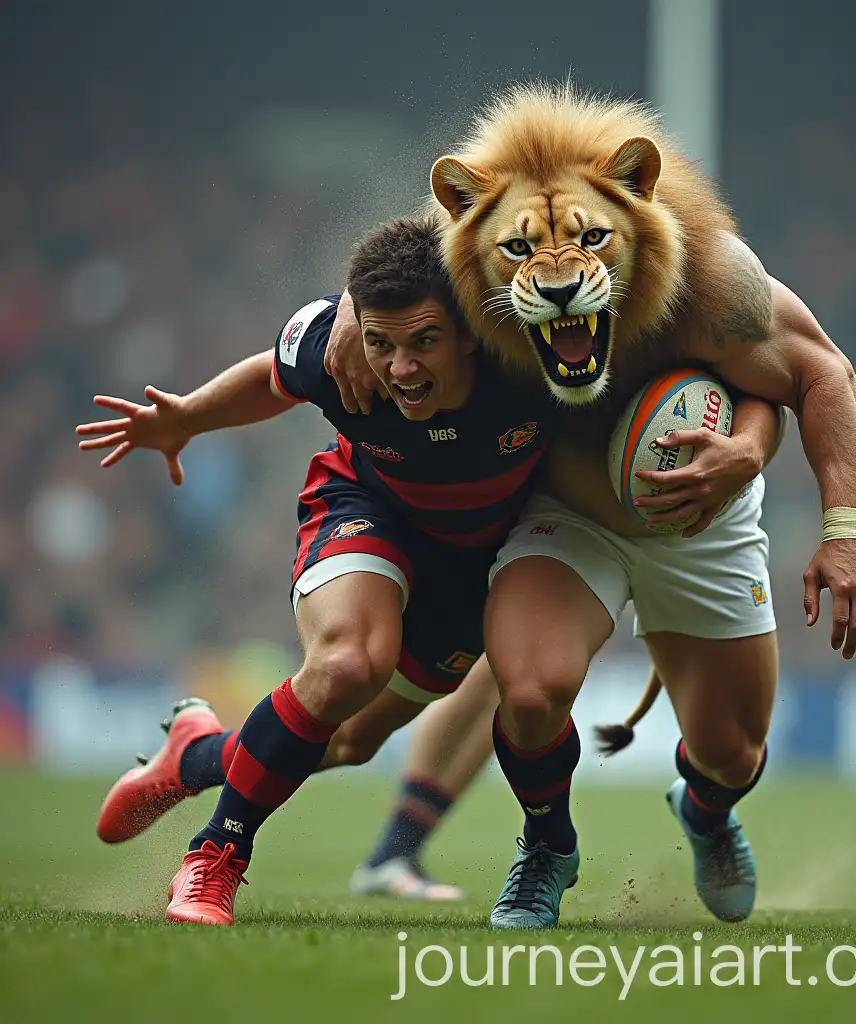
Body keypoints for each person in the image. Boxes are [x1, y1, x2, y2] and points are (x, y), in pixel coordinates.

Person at [79, 216, 784, 924]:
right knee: (347, 664)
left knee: (352, 740)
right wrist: (188, 420)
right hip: (367, 508)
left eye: (424, 342)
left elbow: (744, 369)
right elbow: (274, 374)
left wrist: (748, 449)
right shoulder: (341, 346)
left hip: (471, 565)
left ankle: (196, 756)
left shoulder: (531, 362)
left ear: (473, 329)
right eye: (384, 344)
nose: (402, 369)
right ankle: (213, 859)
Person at [323, 82, 856, 931]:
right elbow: (408, 270)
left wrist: (835, 519)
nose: (556, 277)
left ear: (642, 208)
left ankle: (703, 807)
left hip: (701, 516)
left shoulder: (712, 278)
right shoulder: (472, 273)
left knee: (733, 752)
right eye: (524, 251)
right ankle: (539, 847)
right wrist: (350, 306)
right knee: (523, 684)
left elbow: (819, 374)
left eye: (592, 240)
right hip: (564, 514)